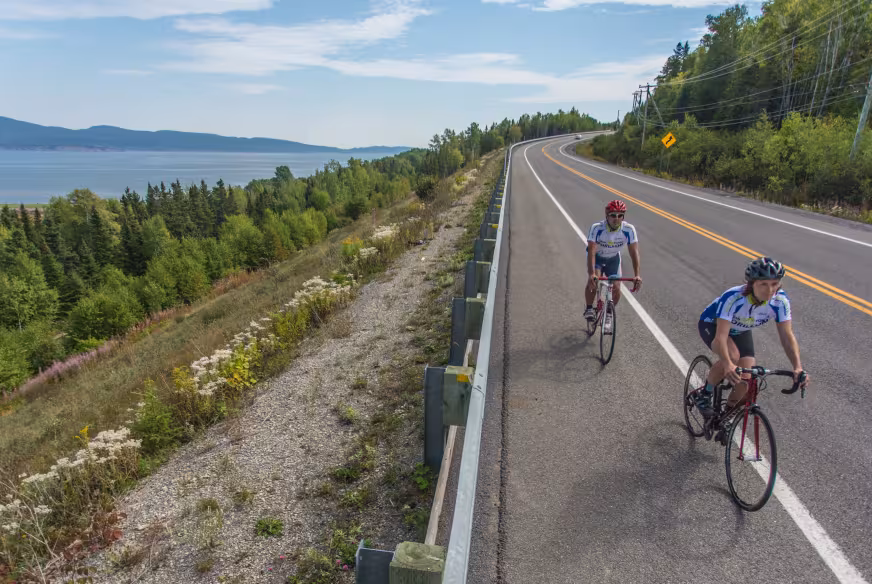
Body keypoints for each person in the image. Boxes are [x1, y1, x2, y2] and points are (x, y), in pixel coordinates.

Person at [695, 256, 809, 417]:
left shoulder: (780, 301)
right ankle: (704, 395)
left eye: (774, 284)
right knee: (732, 356)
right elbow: (720, 338)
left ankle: (727, 416)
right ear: (752, 283)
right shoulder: (734, 298)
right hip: (712, 325)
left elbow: (786, 336)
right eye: (763, 284)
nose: (770, 290)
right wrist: (727, 364)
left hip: (741, 329)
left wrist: (798, 367)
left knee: (745, 379)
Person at [584, 199, 642, 322]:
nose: (617, 218)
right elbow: (592, 251)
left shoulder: (629, 229)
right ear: (607, 215)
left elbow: (634, 252)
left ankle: (609, 313)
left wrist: (637, 275)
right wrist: (591, 274)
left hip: (613, 259)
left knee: (616, 286)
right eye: (613, 215)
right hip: (598, 258)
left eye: (620, 215)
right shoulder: (597, 228)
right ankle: (589, 308)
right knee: (594, 281)